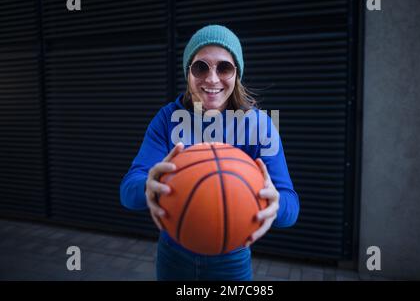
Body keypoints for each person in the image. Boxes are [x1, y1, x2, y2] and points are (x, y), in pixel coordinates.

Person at [120, 25, 300, 281]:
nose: (212, 79)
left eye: (224, 67)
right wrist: (148, 184)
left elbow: (291, 207)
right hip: (174, 252)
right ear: (188, 72)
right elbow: (128, 192)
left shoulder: (259, 125)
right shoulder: (167, 119)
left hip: (232, 258)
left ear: (237, 73)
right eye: (200, 67)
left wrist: (275, 203)